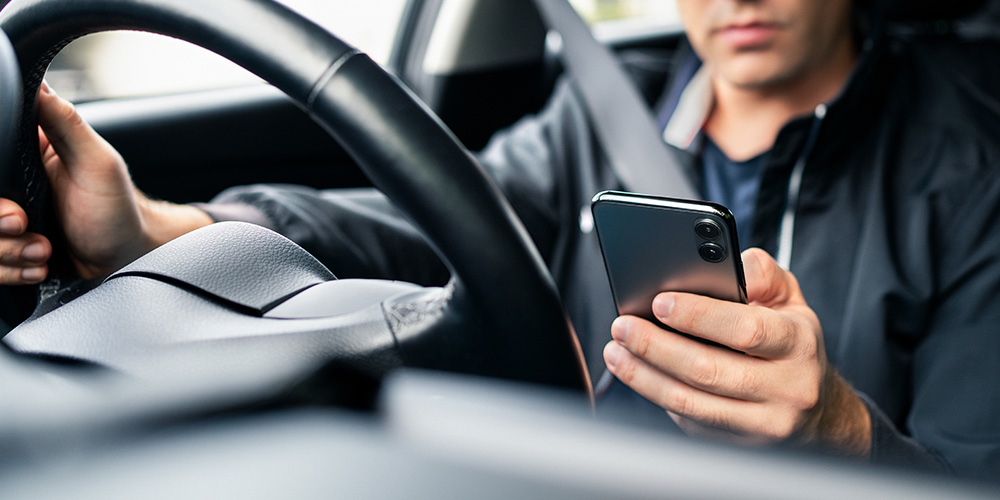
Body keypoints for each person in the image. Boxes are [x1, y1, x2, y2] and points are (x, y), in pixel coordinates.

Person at [2, 0, 1000, 481]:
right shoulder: (597, 117)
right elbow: (419, 219)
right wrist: (147, 229)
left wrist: (837, 431)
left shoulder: (970, 167)